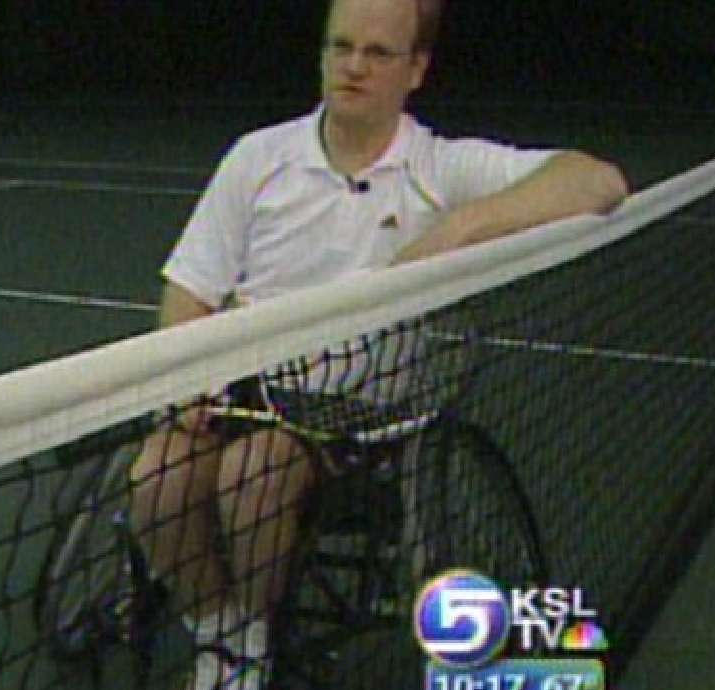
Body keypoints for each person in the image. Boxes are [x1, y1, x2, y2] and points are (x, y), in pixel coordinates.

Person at [129, 0, 629, 688]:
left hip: (359, 414)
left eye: (377, 52)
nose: (353, 66)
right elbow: (191, 289)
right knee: (157, 478)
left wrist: (460, 229)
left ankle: (252, 636)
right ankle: (222, 628)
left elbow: (598, 180)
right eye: (341, 48)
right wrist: (185, 383)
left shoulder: (442, 167)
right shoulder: (258, 158)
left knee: (252, 478)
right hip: (240, 389)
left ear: (416, 69)